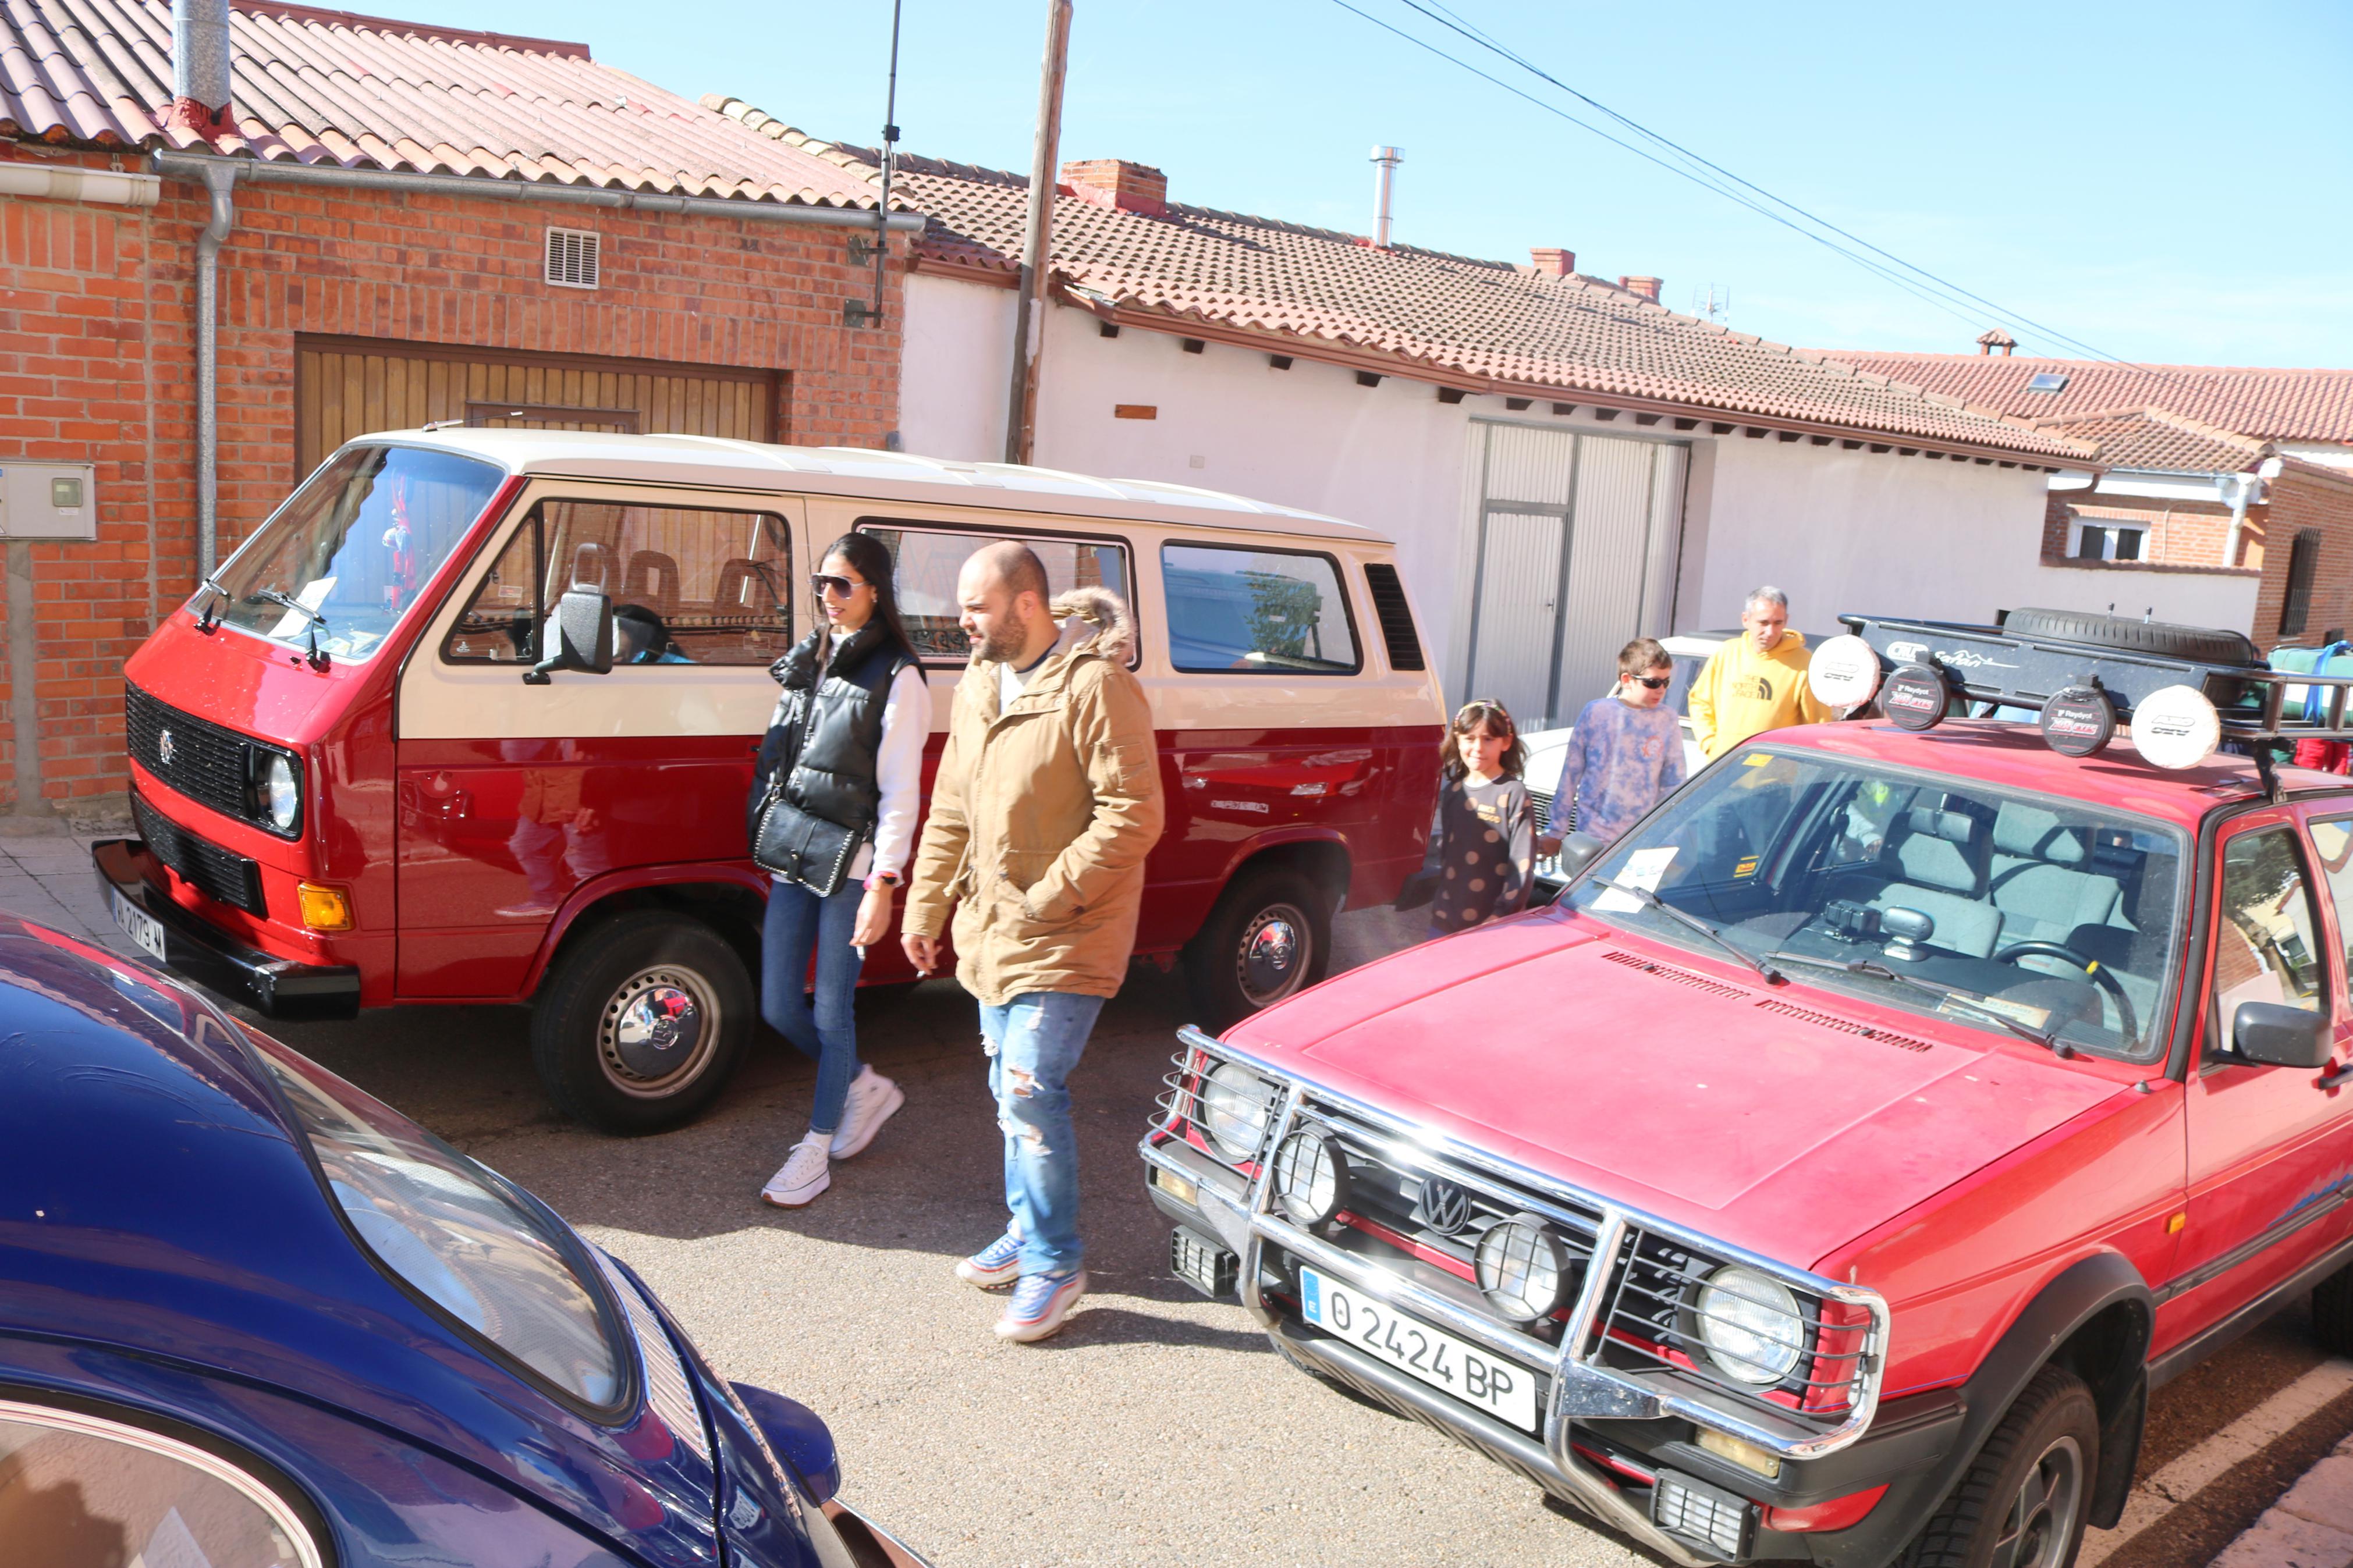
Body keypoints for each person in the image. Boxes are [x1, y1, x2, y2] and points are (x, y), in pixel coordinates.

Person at [902, 541, 1164, 1343]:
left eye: (974, 606)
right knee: (1004, 1095)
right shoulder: (980, 683)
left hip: (1068, 931)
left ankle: (1055, 1260)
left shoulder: (1096, 687)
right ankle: (1026, 1229)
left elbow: (1133, 813)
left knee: (1027, 1092)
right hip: (992, 932)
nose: (961, 620)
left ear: (1024, 605)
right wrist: (923, 908)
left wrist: (1049, 895)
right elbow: (952, 804)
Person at [751, 534, 931, 1209]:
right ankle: (862, 1083)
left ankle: (815, 1148)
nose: (828, 596)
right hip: (794, 851)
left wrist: (883, 883)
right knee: (776, 1005)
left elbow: (900, 792)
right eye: (822, 583)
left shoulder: (898, 676)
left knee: (831, 1011)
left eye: (843, 584)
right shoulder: (812, 658)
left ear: (876, 592)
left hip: (851, 866)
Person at [1541, 638, 1688, 852]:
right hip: (1593, 836)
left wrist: (1669, 837)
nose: (1661, 689)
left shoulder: (1667, 719)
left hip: (1641, 837)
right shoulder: (1597, 713)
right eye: (1653, 682)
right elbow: (1571, 775)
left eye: (1666, 682)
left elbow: (1674, 783)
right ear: (1627, 680)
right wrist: (1556, 831)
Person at [1425, 699, 1536, 939]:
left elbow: (1522, 864)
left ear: (1506, 742)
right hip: (1445, 918)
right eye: (1470, 738)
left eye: (1488, 739)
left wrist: (1501, 915)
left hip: (1493, 923)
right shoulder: (1453, 792)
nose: (1478, 748)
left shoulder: (1512, 793)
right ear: (1457, 739)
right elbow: (1447, 857)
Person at [1688, 586, 1832, 759]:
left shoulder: (1804, 663)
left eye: (1778, 623)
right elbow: (1700, 702)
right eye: (1763, 623)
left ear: (1786, 621)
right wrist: (1710, 744)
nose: (1770, 632)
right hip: (1723, 770)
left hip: (1774, 777)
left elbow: (1816, 725)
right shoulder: (1727, 653)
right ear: (1746, 620)